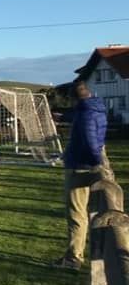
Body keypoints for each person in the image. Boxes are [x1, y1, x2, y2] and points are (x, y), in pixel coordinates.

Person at [57, 81, 109, 269]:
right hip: (84, 163)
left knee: (76, 213)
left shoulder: (86, 113)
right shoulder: (96, 108)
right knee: (87, 211)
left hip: (81, 167)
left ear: (73, 98)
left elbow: (90, 141)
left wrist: (97, 164)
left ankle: (73, 259)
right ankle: (78, 254)